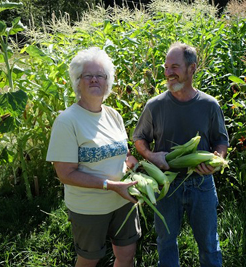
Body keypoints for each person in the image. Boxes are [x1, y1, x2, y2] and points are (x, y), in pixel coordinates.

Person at [133, 42, 229, 267]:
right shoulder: (154, 106)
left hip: (202, 183)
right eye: (166, 67)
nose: (168, 73)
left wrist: (216, 161)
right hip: (166, 185)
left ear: (192, 68)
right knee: (166, 241)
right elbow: (139, 139)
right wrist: (152, 156)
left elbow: (221, 140)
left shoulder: (209, 105)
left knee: (209, 244)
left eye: (174, 67)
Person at [46, 47, 141, 267]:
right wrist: (110, 185)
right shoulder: (67, 121)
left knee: (126, 255)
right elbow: (65, 174)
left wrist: (134, 164)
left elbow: (123, 152)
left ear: (108, 82)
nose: (94, 80)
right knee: (90, 260)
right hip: (89, 208)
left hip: (123, 200)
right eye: (87, 76)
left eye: (100, 75)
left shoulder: (113, 115)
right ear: (77, 82)